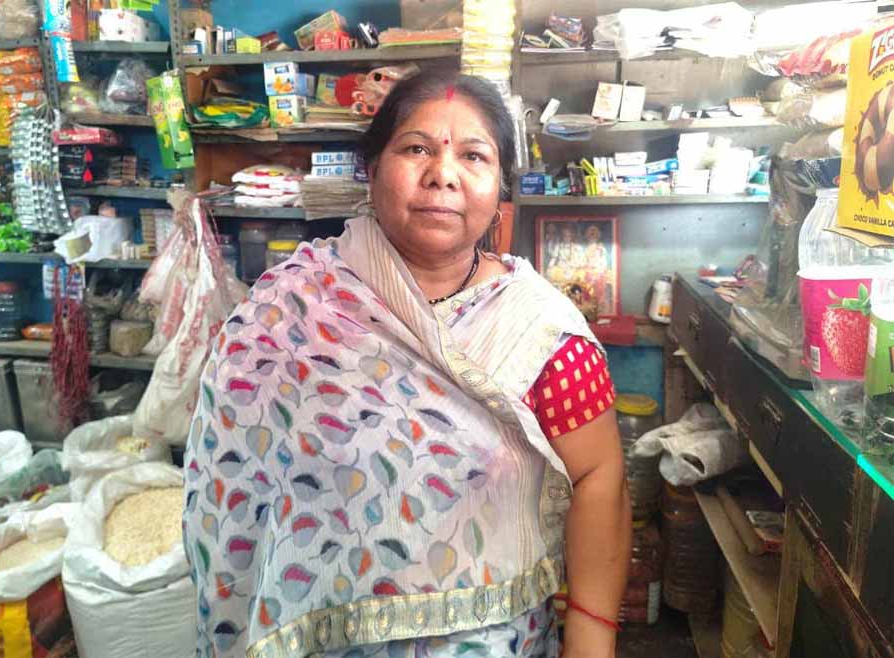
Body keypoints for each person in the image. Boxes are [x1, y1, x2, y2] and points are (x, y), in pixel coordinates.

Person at [184, 70, 631, 658]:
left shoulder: (540, 333)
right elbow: (229, 489)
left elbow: (599, 476)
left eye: (474, 156)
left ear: (500, 189)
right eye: (417, 148)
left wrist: (591, 636)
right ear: (371, 170)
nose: (443, 173)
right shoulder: (288, 312)